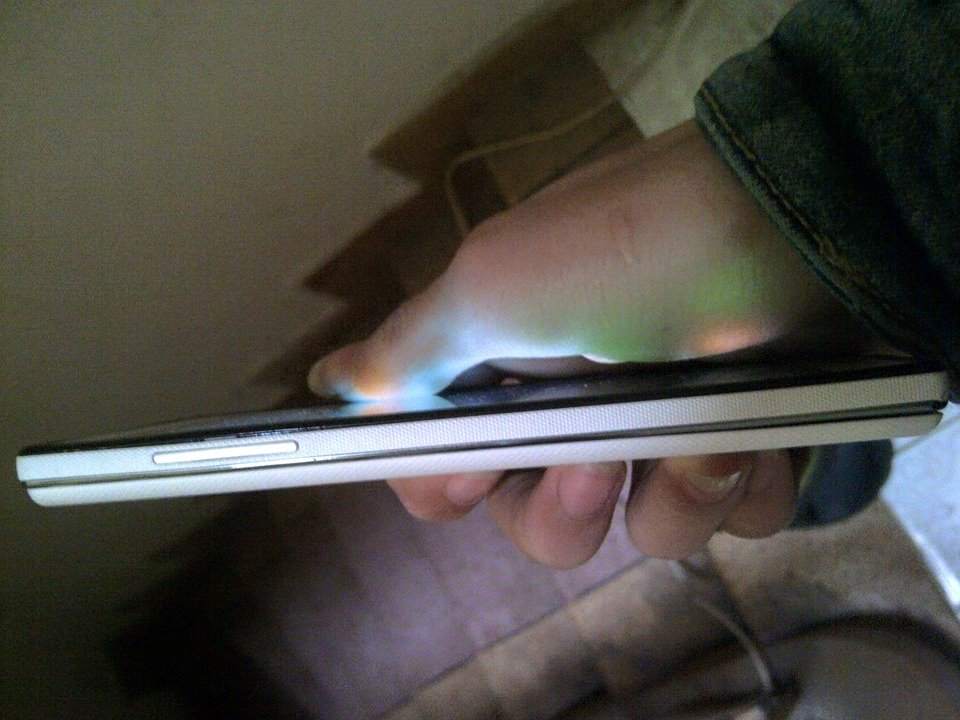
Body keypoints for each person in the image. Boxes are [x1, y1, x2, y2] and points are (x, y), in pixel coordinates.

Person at [307, 0, 960, 569]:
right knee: (814, 456)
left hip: (896, 301)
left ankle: (839, 432)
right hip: (890, 312)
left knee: (827, 479)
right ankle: (838, 419)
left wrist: (826, 170)